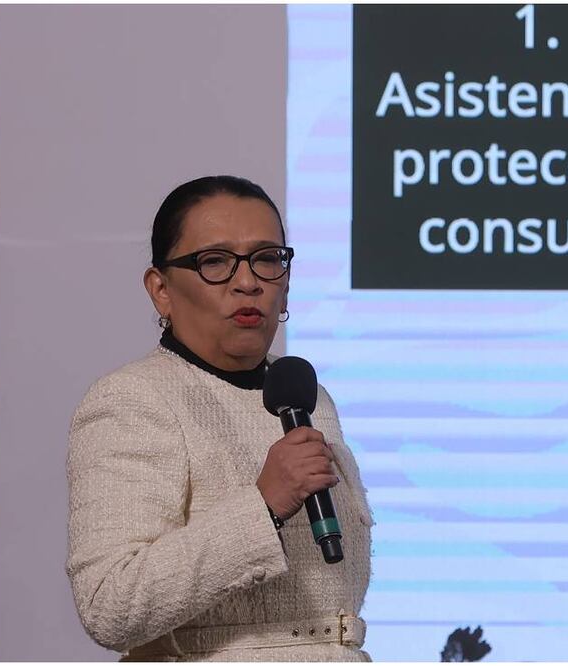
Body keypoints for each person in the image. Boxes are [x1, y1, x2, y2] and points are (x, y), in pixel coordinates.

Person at [65, 176, 373, 662]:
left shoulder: (310, 398)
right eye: (215, 262)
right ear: (161, 289)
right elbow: (110, 604)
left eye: (267, 259)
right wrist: (263, 505)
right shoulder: (133, 399)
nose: (248, 281)